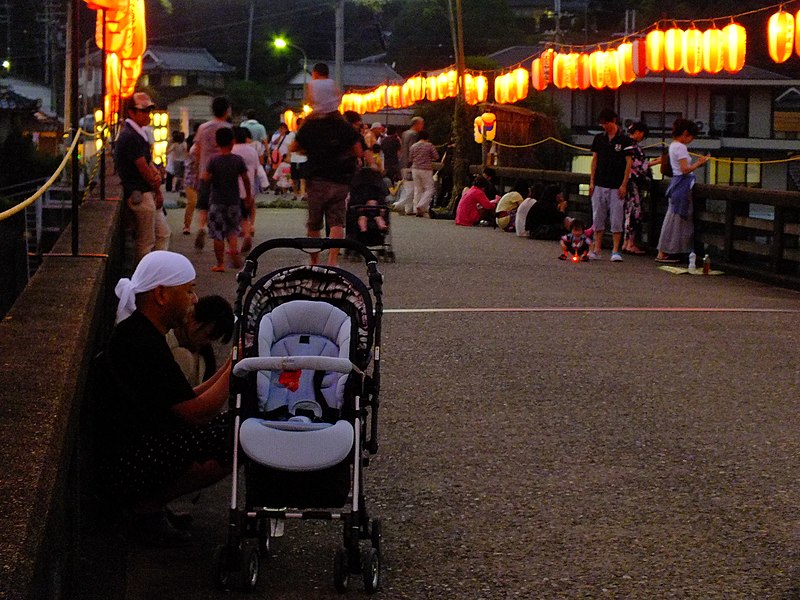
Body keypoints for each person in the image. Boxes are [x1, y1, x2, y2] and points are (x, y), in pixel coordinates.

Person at [101, 251, 232, 546]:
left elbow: (183, 398)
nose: (194, 299)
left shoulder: (143, 332)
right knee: (236, 438)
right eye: (188, 290)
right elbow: (195, 413)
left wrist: (228, 367)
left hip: (136, 446)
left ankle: (151, 508)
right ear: (161, 294)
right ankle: (145, 508)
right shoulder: (141, 341)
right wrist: (236, 371)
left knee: (233, 424)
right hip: (130, 461)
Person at [292, 111, 362, 265]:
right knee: (337, 222)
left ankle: (314, 261)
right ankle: (332, 260)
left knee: (314, 222)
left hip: (316, 179)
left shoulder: (311, 125)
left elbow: (293, 147)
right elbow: (358, 150)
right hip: (340, 179)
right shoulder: (344, 126)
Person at [114, 92, 170, 265]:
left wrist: (155, 184)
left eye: (149, 110)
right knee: (146, 241)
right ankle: (145, 284)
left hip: (145, 192)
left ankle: (156, 274)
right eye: (144, 111)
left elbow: (147, 164)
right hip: (140, 193)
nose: (148, 114)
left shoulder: (137, 134)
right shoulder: (131, 136)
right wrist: (156, 187)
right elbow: (143, 167)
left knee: (162, 234)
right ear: (132, 112)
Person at [656, 118, 710, 263]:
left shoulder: (673, 145)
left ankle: (667, 251)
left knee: (673, 219)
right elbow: (685, 169)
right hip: (682, 184)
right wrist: (699, 163)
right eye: (691, 136)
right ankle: (667, 252)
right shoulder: (680, 147)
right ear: (685, 133)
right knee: (677, 219)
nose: (691, 139)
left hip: (676, 184)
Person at [189, 96, 233, 251]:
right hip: (224, 173)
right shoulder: (228, 128)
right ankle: (225, 235)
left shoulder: (203, 127)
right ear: (226, 110)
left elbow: (197, 150)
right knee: (223, 205)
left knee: (203, 205)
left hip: (205, 172)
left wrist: (197, 170)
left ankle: (202, 227)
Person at [206, 127, 252, 272]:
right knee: (232, 230)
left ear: (217, 143)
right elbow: (245, 179)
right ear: (233, 142)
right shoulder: (237, 160)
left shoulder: (213, 160)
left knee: (218, 234)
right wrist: (248, 196)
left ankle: (220, 264)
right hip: (233, 201)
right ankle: (234, 253)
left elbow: (206, 178)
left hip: (216, 201)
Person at [589, 108, 632, 262]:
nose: (604, 127)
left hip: (616, 184)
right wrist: (592, 181)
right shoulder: (599, 139)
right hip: (600, 182)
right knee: (598, 216)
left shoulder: (625, 140)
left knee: (616, 217)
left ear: (613, 121)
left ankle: (615, 250)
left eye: (605, 123)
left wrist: (624, 184)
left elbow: (629, 163)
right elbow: (595, 160)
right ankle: (597, 248)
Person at [167, 294, 234, 387]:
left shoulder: (205, 360)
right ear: (193, 319)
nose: (207, 342)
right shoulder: (162, 337)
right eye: (207, 335)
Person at [232, 126, 267, 254]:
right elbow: (257, 169)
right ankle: (247, 233)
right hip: (249, 187)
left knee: (232, 218)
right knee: (244, 215)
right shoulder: (252, 150)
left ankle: (233, 246)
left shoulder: (232, 150)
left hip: (233, 188)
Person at [623, 121, 656, 255]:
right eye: (642, 134)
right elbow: (639, 166)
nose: (642, 137)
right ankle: (630, 243)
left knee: (628, 211)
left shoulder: (624, 143)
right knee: (635, 211)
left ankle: (627, 243)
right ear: (638, 132)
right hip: (633, 182)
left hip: (626, 182)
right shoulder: (632, 147)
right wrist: (656, 162)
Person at [408, 130, 439, 217]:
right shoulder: (429, 146)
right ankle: (421, 206)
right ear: (427, 137)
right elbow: (436, 156)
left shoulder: (413, 146)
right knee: (429, 189)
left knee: (418, 189)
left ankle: (416, 209)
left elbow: (410, 159)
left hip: (415, 169)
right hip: (426, 169)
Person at [289, 117, 308, 199]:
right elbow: (290, 147)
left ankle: (302, 194)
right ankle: (295, 194)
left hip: (303, 159)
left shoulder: (307, 134)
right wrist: (288, 156)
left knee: (303, 178)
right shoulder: (293, 134)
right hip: (294, 159)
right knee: (294, 178)